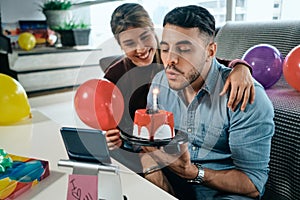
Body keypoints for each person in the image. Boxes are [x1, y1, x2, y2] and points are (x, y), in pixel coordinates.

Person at [142, 5, 275, 200]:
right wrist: (151, 165)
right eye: (165, 49)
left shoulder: (244, 96)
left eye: (184, 50)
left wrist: (194, 173)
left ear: (210, 51)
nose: (170, 60)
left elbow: (253, 184)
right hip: (173, 184)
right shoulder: (160, 83)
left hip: (223, 194)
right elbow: (149, 143)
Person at [104, 3, 254, 172]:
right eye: (129, 43)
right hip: (140, 148)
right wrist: (113, 139)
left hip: (171, 145)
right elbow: (111, 122)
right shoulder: (115, 76)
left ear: (153, 30)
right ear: (120, 46)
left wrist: (241, 67)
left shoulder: (168, 54)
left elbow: (209, 62)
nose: (141, 48)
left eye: (145, 37)